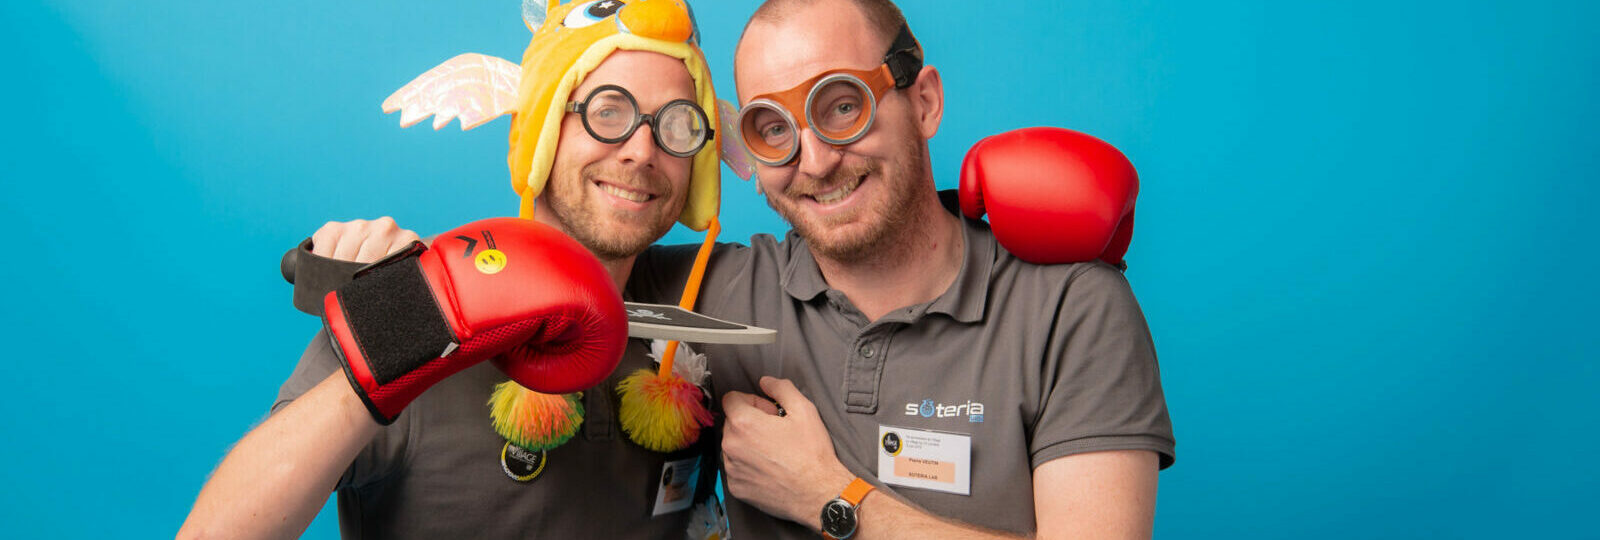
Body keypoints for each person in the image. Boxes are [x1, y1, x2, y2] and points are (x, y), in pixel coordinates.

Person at [296, 0, 1175, 537]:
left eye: (843, 105)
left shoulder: (1073, 305)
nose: (817, 159)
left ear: (925, 100)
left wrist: (834, 498)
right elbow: (573, 237)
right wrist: (378, 272)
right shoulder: (713, 293)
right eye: (771, 129)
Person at [178, 1, 730, 538]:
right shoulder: (418, 294)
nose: (642, 150)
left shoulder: (710, 300)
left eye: (678, 124)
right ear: (541, 125)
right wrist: (403, 326)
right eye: (609, 110)